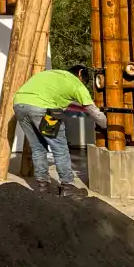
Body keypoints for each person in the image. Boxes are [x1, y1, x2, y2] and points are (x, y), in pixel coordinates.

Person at [13, 65, 107, 196]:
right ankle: (68, 186)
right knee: (60, 147)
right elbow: (93, 111)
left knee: (38, 147)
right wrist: (106, 126)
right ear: (80, 74)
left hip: (19, 104)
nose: (83, 84)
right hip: (43, 108)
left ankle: (43, 186)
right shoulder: (76, 84)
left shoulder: (49, 74)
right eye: (83, 81)